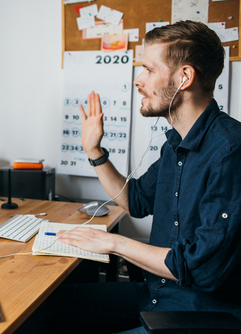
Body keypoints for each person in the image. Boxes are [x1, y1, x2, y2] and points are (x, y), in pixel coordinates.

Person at [42, 20, 241, 334]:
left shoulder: (230, 151)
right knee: (47, 308)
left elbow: (203, 269)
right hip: (157, 297)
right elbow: (133, 200)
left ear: (184, 77)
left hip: (198, 316)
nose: (138, 80)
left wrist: (114, 243)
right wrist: (95, 151)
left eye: (148, 69)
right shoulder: (175, 144)